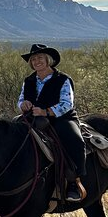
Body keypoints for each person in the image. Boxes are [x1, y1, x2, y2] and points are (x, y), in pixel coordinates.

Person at [18, 43, 85, 202]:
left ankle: (74, 181)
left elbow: (67, 104)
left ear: (48, 60)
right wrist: (23, 104)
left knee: (74, 139)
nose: (36, 61)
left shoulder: (63, 79)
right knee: (12, 132)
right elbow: (21, 99)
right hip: (33, 118)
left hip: (61, 119)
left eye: (40, 58)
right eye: (33, 59)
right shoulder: (29, 80)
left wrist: (46, 111)